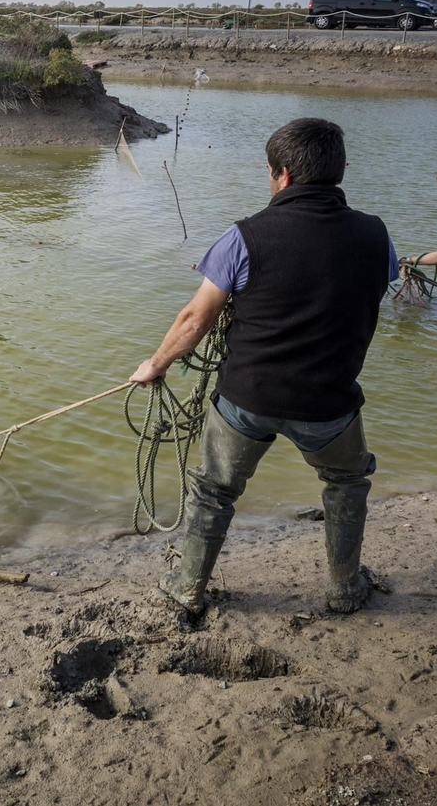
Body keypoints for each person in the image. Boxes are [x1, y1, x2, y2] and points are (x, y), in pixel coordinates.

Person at [130, 117, 397, 616]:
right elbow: (358, 290)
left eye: (270, 172)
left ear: (283, 176)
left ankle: (188, 587)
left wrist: (156, 364)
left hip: (247, 399)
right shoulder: (377, 236)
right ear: (340, 170)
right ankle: (344, 589)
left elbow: (194, 321)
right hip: (330, 401)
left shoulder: (244, 237)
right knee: (345, 484)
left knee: (213, 490)